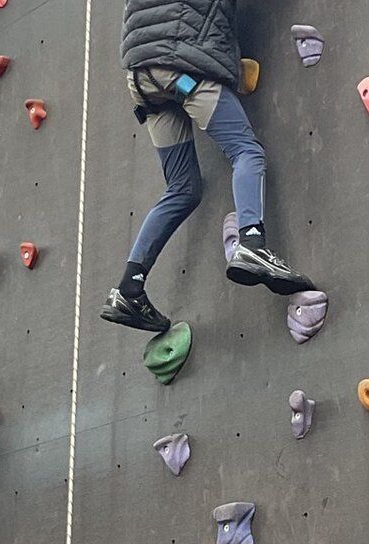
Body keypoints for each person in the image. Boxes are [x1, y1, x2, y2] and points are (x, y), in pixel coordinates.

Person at [100, 0, 316, 334]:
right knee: (246, 151)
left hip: (142, 79)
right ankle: (252, 245)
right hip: (183, 69)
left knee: (182, 188)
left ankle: (129, 290)